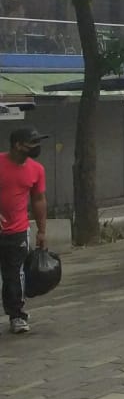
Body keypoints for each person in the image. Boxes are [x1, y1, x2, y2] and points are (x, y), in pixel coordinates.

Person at [0, 127, 48, 335]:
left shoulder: (37, 169)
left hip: (18, 230)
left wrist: (42, 231)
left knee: (14, 275)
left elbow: (39, 200)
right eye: (32, 143)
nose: (37, 147)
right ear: (17, 145)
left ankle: (17, 315)